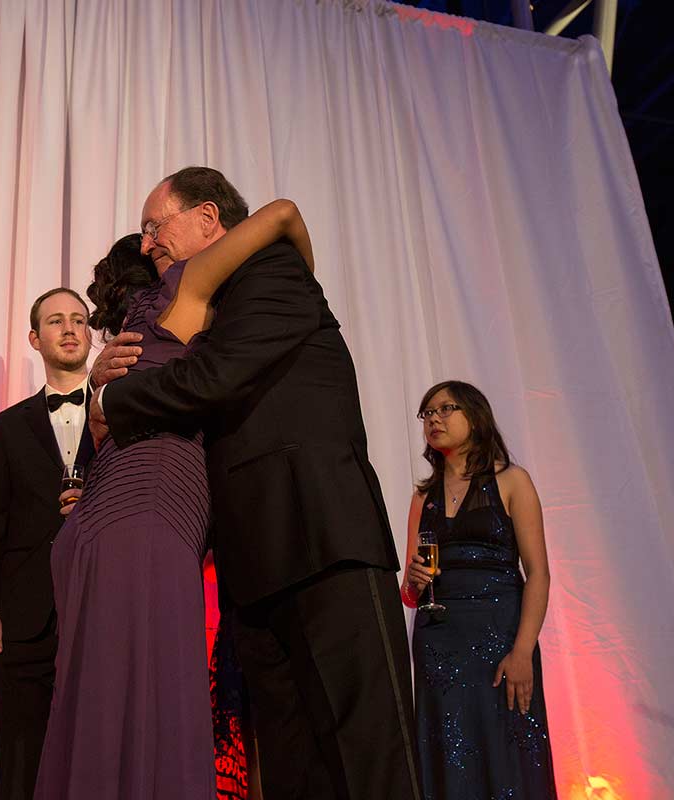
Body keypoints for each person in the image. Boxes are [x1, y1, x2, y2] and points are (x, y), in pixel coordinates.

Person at [90, 166, 421, 800]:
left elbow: (217, 376)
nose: (147, 241)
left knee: (368, 757)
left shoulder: (271, 272)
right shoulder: (193, 307)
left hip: (325, 542)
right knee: (290, 768)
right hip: (252, 569)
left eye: (155, 225)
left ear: (209, 218)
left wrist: (114, 401)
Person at [33, 196, 315, 800]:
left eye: (155, 229)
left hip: (100, 524)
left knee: (103, 703)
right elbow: (285, 215)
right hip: (147, 515)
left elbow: (104, 431)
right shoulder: (182, 290)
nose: (151, 240)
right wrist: (304, 300)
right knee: (153, 698)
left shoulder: (127, 345)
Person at [403, 381, 556, 799]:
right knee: (450, 756)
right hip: (438, 641)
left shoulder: (512, 482)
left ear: (476, 415)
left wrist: (523, 650)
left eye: (445, 409)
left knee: (506, 753)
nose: (434, 419)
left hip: (499, 639)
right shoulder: (423, 497)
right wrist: (413, 581)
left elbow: (538, 573)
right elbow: (410, 592)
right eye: (427, 413)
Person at [0, 287, 95, 800]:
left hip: (102, 605)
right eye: (55, 321)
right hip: (25, 618)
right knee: (22, 759)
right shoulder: (6, 427)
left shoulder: (128, 412)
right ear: (34, 338)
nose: (69, 329)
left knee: (96, 753)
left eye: (79, 320)